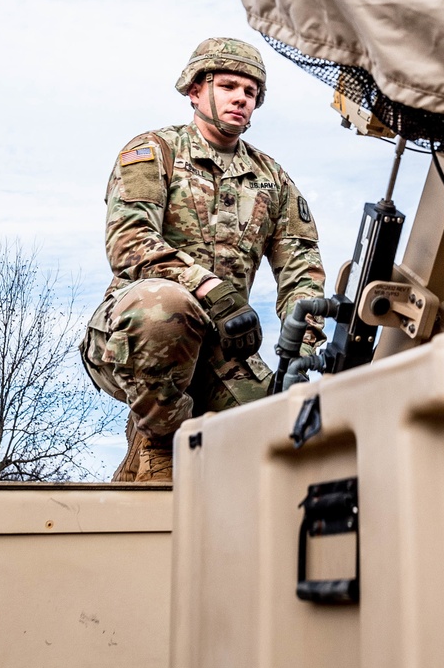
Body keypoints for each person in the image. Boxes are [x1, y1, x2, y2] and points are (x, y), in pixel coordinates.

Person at [81, 37, 326, 483]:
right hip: (133, 334)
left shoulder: (274, 181)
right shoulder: (155, 151)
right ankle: (158, 448)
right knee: (165, 307)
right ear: (195, 91)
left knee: (282, 438)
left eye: (251, 93)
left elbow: (301, 271)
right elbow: (129, 242)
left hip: (225, 346)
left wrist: (302, 351)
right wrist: (211, 290)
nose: (241, 99)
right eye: (229, 85)